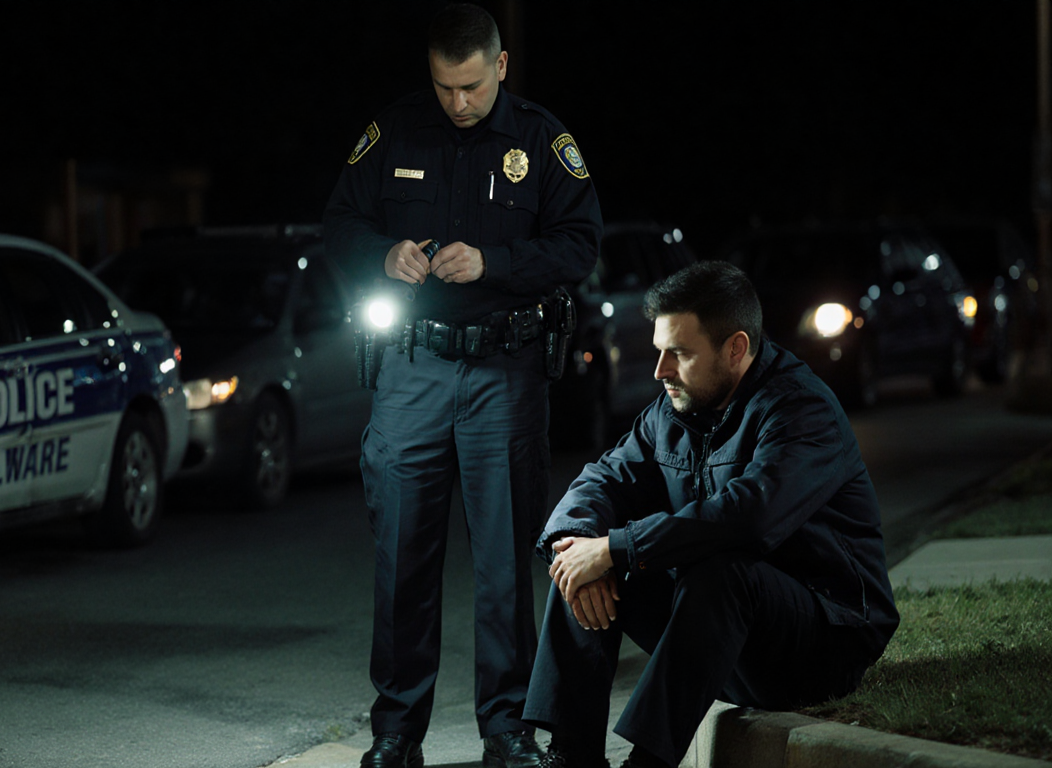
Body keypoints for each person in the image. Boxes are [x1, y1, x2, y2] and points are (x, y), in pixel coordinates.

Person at [323, 4, 604, 768]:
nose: (459, 103)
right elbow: (339, 225)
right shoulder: (394, 131)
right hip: (411, 368)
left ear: (501, 66)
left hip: (504, 373)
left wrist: (493, 264)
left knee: (505, 563)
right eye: (445, 87)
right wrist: (384, 258)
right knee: (402, 556)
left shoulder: (542, 140)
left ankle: (506, 729)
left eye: (472, 86)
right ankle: (396, 733)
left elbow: (581, 243)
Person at [522, 260, 899, 768]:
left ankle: (647, 764)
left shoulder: (800, 409)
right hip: (719, 640)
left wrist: (617, 548)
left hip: (822, 643)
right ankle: (572, 754)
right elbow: (605, 478)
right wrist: (577, 541)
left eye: (677, 353)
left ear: (736, 348)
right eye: (658, 351)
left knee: (716, 566)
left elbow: (748, 518)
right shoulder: (673, 409)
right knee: (578, 558)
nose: (660, 371)